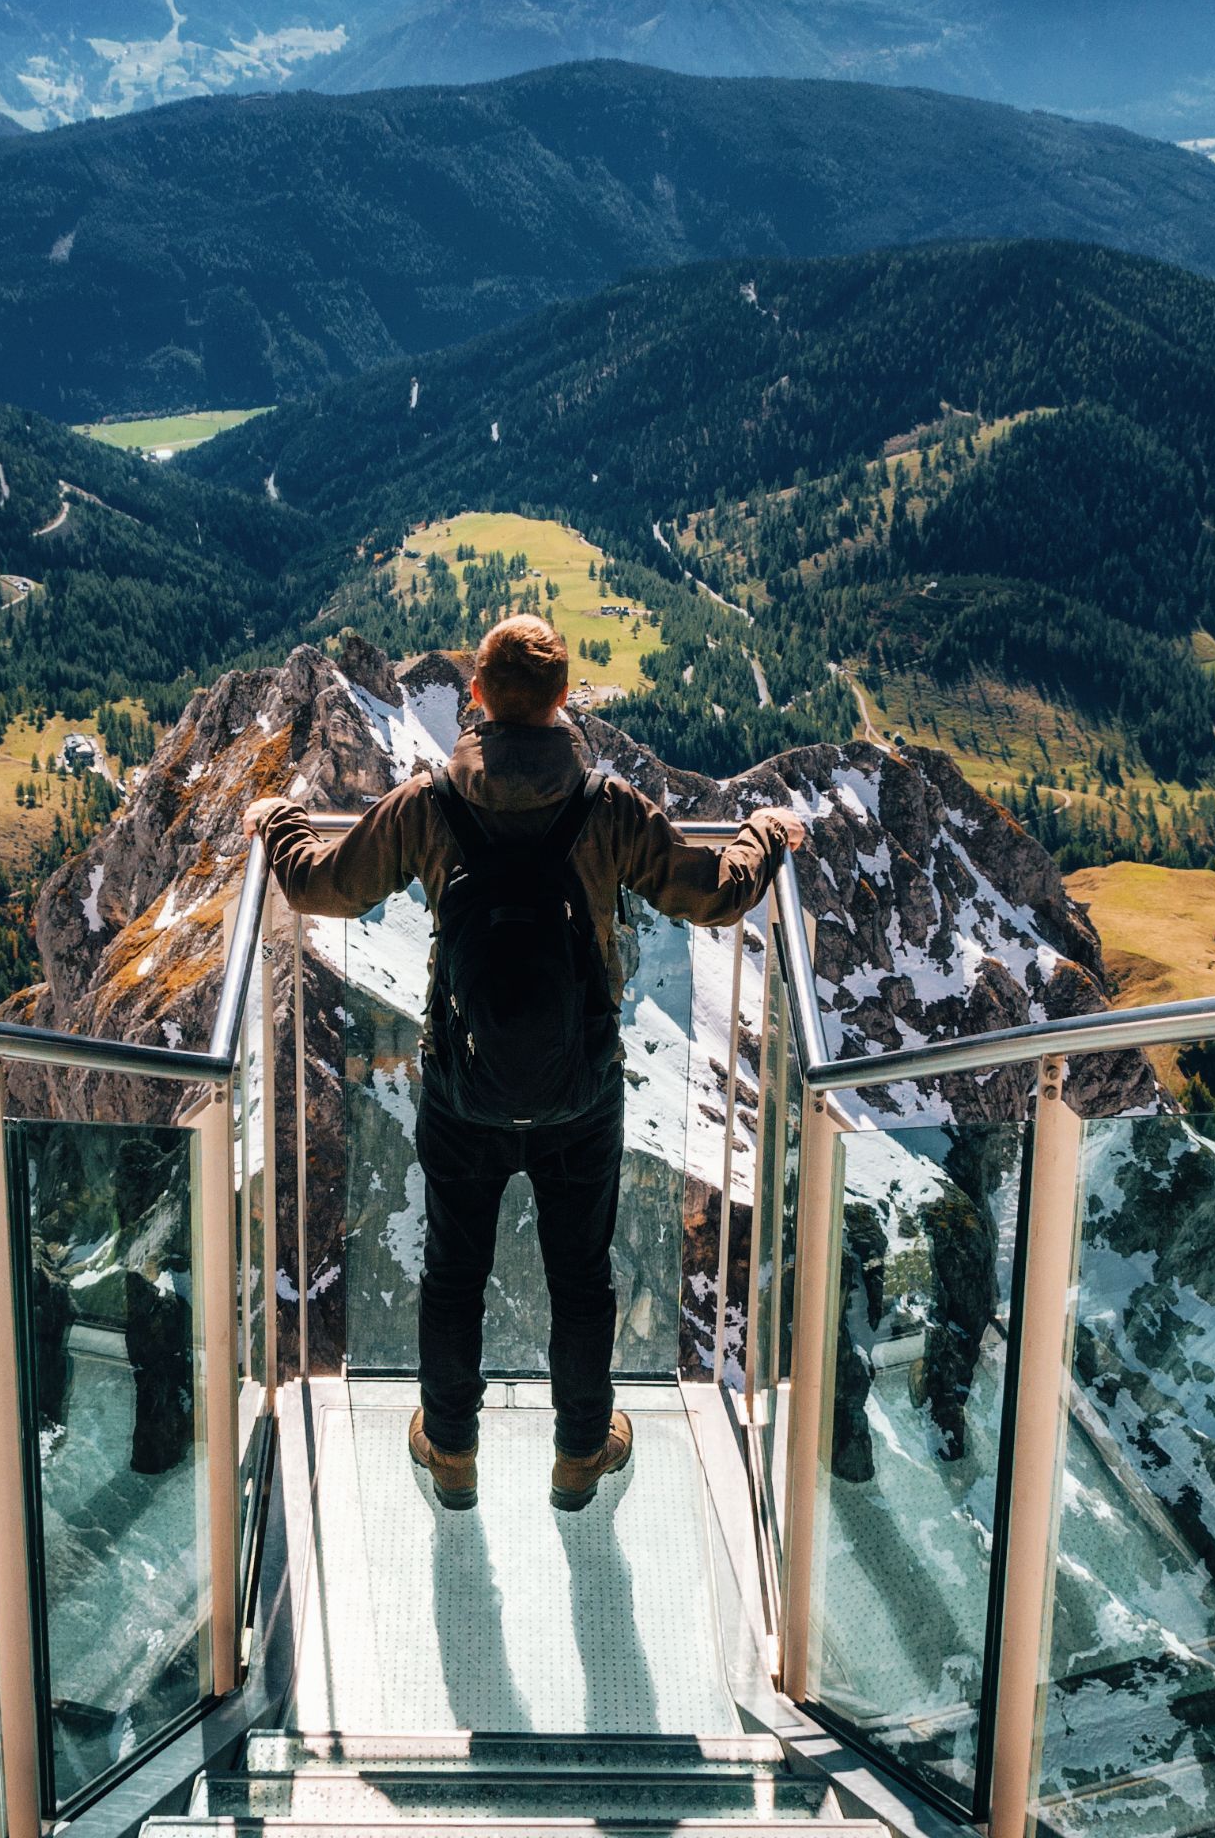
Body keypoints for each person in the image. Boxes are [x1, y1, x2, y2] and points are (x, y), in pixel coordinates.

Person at [245, 615, 807, 1514]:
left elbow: (320, 886)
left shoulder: (430, 804)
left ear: (476, 696)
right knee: (581, 1280)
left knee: (452, 1275)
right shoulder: (608, 808)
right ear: (562, 701)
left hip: (461, 1089)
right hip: (579, 1093)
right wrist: (765, 836)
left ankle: (452, 1451)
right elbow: (713, 896)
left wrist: (278, 821)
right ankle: (581, 1454)